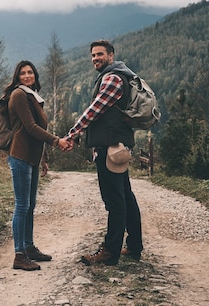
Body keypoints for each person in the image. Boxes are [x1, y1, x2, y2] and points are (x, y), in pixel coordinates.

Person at [64, 40, 143, 265]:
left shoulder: (112, 79)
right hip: (116, 146)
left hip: (111, 148)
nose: (95, 59)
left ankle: (110, 251)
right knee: (125, 197)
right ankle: (134, 246)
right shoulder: (117, 75)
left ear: (111, 55)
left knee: (115, 201)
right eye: (92, 55)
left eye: (99, 54)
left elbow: (94, 111)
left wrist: (72, 133)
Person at [4, 60, 71, 271]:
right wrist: (56, 140)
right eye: (22, 73)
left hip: (31, 158)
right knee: (22, 206)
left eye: (30, 72)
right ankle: (19, 255)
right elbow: (31, 128)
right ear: (17, 76)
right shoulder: (19, 95)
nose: (26, 76)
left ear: (35, 75)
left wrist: (43, 158)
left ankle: (29, 247)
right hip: (20, 157)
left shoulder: (32, 96)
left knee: (30, 206)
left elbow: (34, 133)